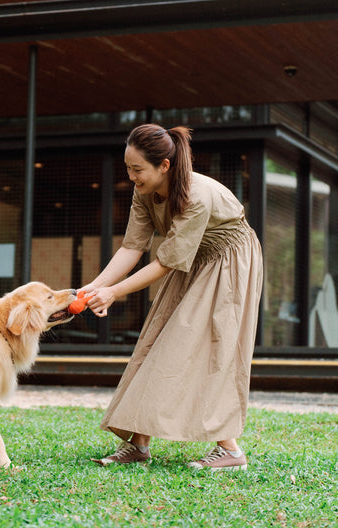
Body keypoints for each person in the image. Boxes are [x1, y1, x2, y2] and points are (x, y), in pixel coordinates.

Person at [82, 124, 263, 471]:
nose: (132, 176)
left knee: (208, 348)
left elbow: (165, 260)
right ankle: (139, 444)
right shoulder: (144, 190)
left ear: (164, 165)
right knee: (157, 339)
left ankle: (231, 451)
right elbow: (132, 247)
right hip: (192, 259)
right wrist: (95, 287)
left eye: (137, 169)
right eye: (128, 168)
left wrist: (114, 293)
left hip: (229, 260)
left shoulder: (195, 195)